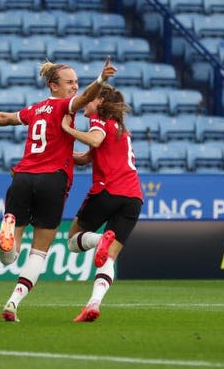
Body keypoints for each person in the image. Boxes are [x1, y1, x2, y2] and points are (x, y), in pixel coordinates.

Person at [0, 57, 117, 322]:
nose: (74, 87)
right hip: (52, 181)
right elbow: (88, 96)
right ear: (53, 86)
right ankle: (13, 300)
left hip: (23, 177)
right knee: (39, 251)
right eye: (69, 83)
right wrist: (101, 80)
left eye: (76, 82)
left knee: (9, 256)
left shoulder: (35, 109)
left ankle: (7, 244)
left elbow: (4, 118)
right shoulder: (66, 106)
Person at [60, 83, 143, 322]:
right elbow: (87, 157)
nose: (85, 101)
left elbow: (94, 141)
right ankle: (93, 304)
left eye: (90, 98)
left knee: (72, 242)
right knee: (109, 258)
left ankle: (98, 239)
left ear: (101, 102)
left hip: (108, 191)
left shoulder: (98, 120)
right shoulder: (120, 130)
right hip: (133, 198)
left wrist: (67, 129)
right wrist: (60, 154)